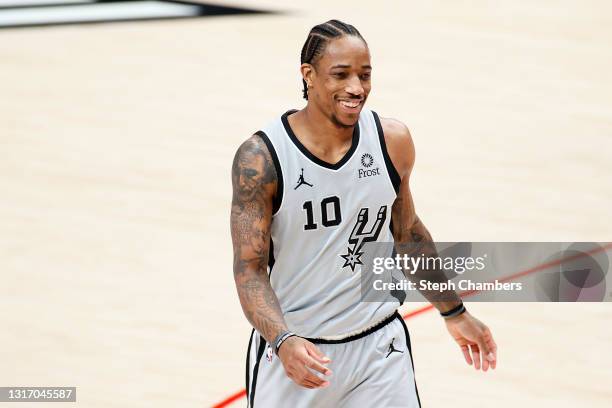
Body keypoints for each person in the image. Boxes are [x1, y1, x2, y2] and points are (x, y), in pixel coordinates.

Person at [231, 19, 497, 408]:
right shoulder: (262, 160)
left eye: (365, 75)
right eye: (341, 75)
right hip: (299, 353)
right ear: (308, 75)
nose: (356, 88)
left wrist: (453, 311)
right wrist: (282, 340)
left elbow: (408, 235)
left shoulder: (392, 141)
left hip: (379, 347)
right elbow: (249, 270)